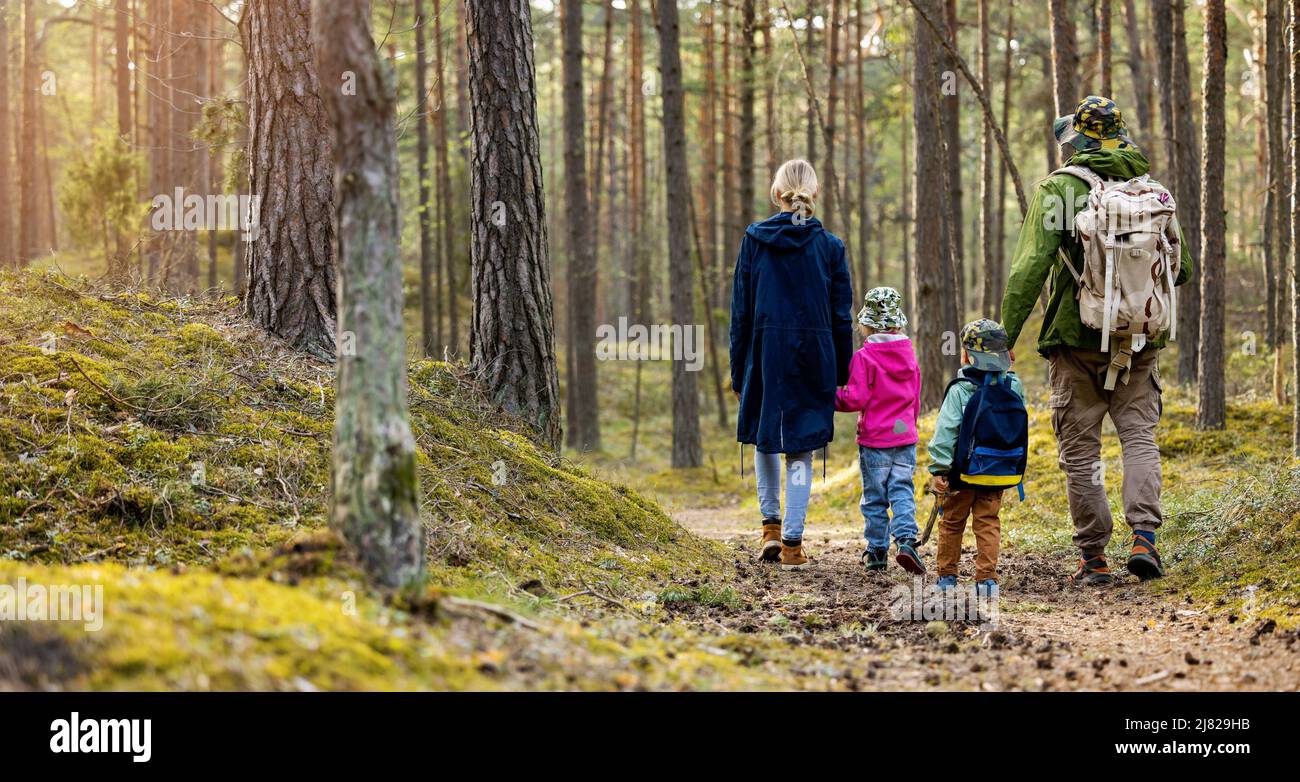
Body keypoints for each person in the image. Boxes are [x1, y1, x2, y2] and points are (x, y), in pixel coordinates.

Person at [1000, 96, 1193, 585]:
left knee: (1082, 453)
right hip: (1140, 342)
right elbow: (1184, 269)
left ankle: (1094, 557)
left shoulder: (1060, 190)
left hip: (1075, 338)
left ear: (1077, 141)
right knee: (1139, 440)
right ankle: (1145, 537)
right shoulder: (1153, 192)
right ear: (1120, 136)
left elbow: (1028, 270)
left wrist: (1004, 338)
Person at [730, 159, 855, 571]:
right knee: (800, 448)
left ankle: (769, 527)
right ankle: (792, 544)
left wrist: (738, 369)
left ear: (777, 193)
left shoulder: (754, 239)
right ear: (813, 193)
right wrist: (842, 371)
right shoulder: (831, 247)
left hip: (765, 351)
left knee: (765, 437)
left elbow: (741, 312)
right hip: (814, 354)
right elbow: (841, 317)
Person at [928, 320, 1027, 598]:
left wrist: (939, 468)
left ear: (968, 355)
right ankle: (987, 580)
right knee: (988, 522)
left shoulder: (961, 389)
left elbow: (946, 431)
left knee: (952, 523)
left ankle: (947, 577)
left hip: (962, 473)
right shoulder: (1014, 385)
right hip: (998, 470)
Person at [834, 287, 924, 575]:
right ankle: (907, 541)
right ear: (897, 321)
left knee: (875, 497)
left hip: (876, 440)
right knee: (902, 490)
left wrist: (830, 398)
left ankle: (876, 551)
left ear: (867, 323)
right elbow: (916, 398)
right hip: (905, 436)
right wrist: (911, 425)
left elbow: (856, 398)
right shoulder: (909, 354)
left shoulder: (865, 356)